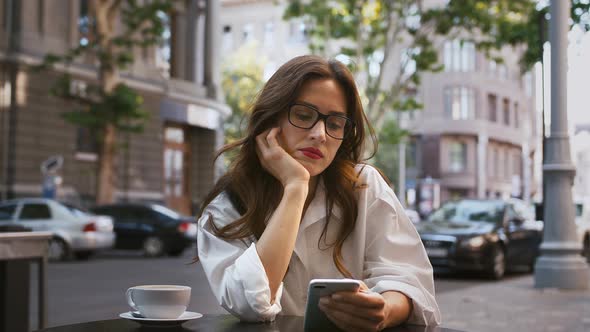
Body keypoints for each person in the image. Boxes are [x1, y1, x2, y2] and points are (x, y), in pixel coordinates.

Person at [196, 55, 441, 330]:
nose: (320, 134)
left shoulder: (364, 186)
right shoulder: (226, 208)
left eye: (334, 124)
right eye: (303, 115)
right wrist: (295, 187)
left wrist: (384, 309)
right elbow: (249, 304)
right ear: (270, 120)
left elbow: (409, 280)